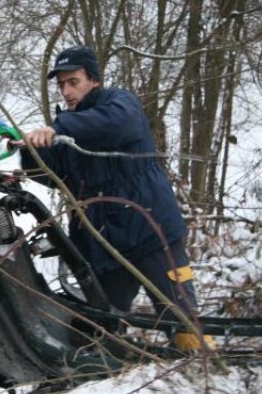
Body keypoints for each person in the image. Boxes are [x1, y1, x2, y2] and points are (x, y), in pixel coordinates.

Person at [20, 45, 212, 351]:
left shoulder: (119, 103)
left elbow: (114, 124)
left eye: (74, 82)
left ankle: (202, 373)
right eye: (61, 85)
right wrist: (29, 149)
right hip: (106, 247)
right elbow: (48, 174)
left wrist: (58, 128)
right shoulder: (66, 129)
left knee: (184, 324)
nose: (66, 91)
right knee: (101, 329)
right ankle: (107, 375)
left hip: (151, 233)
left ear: (93, 80)